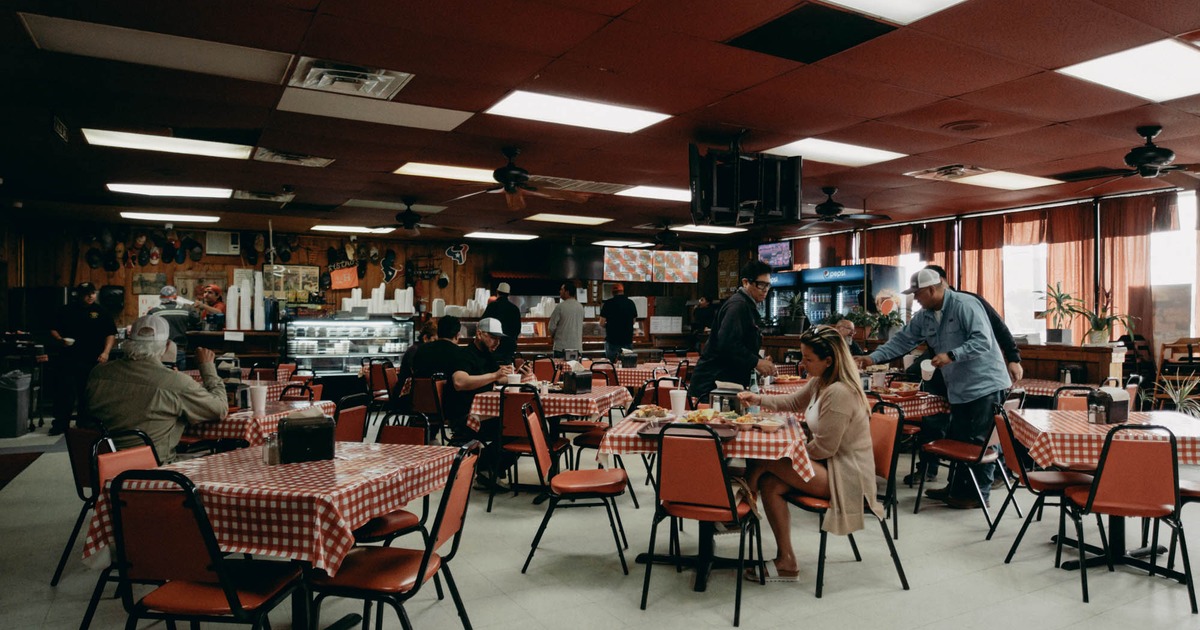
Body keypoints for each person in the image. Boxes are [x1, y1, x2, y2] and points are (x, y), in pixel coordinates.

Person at [855, 268, 1011, 509]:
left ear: (932, 289)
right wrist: (872, 358)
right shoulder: (925, 315)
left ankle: (978, 494)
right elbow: (903, 340)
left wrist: (951, 355)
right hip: (958, 388)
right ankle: (957, 489)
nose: (915, 298)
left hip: (985, 384)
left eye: (918, 294)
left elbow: (983, 340)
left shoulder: (964, 304)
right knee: (958, 439)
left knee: (979, 442)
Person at [737, 325, 882, 581]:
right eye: (802, 356)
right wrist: (757, 399)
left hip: (847, 477)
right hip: (831, 466)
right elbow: (793, 403)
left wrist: (789, 454)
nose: (803, 364)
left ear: (829, 360)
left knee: (764, 460)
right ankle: (786, 561)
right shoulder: (821, 381)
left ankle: (739, 507)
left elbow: (825, 447)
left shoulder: (840, 392)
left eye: (808, 359)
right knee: (770, 481)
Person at [86, 315, 227, 463]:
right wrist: (207, 367)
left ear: (129, 341)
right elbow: (220, 409)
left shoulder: (98, 373)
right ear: (167, 346)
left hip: (100, 466)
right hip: (151, 471)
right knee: (218, 460)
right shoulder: (175, 383)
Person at [411, 316, 517, 441]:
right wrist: (494, 375)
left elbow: (500, 378)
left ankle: (483, 459)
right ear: (479, 334)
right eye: (493, 337)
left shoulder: (488, 355)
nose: (497, 343)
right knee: (513, 428)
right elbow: (459, 382)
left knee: (517, 423)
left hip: (417, 402)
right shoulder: (464, 354)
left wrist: (520, 376)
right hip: (465, 415)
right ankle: (482, 459)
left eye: (499, 339)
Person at [688, 260, 776, 402]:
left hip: (724, 382)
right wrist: (756, 362)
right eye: (761, 284)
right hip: (713, 385)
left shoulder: (746, 304)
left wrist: (757, 360)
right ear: (746, 282)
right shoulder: (738, 305)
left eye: (768, 285)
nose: (765, 289)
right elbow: (727, 343)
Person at [48, 282, 116, 436]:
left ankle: (84, 424)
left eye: (93, 293)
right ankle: (60, 424)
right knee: (65, 393)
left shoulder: (101, 311)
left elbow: (110, 333)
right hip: (68, 358)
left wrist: (106, 352)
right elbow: (53, 328)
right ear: (78, 295)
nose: (90, 296)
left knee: (88, 393)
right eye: (86, 294)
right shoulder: (66, 310)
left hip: (92, 360)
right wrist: (60, 339)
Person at [148, 285, 200, 369]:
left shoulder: (154, 312)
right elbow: (197, 323)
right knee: (180, 378)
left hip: (160, 350)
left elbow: (148, 329)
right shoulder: (186, 310)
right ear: (175, 296)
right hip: (179, 349)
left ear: (160, 297)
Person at [480, 282, 521, 364]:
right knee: (507, 369)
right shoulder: (514, 309)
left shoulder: (492, 306)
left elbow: (482, 324)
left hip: (493, 345)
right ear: (508, 294)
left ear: (497, 292)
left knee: (492, 367)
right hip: (509, 346)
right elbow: (517, 329)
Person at [599, 283, 637, 361]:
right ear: (623, 291)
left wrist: (609, 326)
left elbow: (601, 323)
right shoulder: (630, 303)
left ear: (613, 292)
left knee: (611, 365)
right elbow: (633, 321)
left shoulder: (608, 303)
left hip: (612, 340)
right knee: (627, 365)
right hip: (627, 340)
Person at [547, 279, 583, 358]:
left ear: (567, 292)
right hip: (577, 347)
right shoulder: (580, 307)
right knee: (575, 369)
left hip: (561, 348)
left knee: (560, 369)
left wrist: (553, 336)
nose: (560, 291)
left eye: (562, 290)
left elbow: (551, 327)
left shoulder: (560, 307)